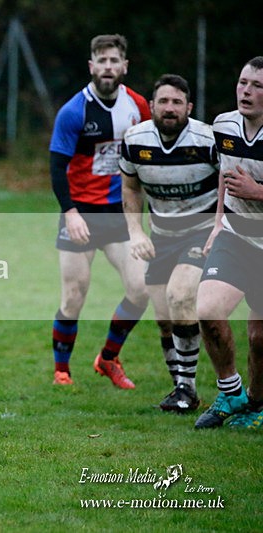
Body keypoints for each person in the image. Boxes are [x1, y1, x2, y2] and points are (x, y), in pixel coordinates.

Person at [49, 34, 151, 388]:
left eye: (114, 61)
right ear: (92, 67)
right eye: (102, 61)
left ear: (125, 66)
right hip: (80, 213)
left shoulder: (138, 107)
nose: (108, 68)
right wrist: (71, 213)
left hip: (120, 214)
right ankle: (62, 369)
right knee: (74, 296)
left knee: (141, 289)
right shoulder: (74, 111)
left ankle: (108, 358)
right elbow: (56, 168)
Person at [121, 74, 219, 412]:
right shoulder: (135, 140)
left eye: (177, 102)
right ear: (151, 106)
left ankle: (187, 390)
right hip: (160, 236)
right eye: (163, 101)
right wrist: (136, 232)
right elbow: (130, 187)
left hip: (201, 233)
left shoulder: (207, 139)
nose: (169, 108)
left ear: (189, 107)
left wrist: (223, 226)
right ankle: (179, 386)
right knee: (163, 316)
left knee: (180, 296)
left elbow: (227, 184)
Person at [194, 56, 263, 430]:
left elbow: (249, 185)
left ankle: (257, 404)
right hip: (237, 235)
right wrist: (218, 221)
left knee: (259, 339)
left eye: (257, 86)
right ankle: (231, 390)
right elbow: (225, 173)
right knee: (207, 310)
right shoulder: (223, 124)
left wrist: (258, 191)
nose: (246, 91)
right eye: (242, 82)